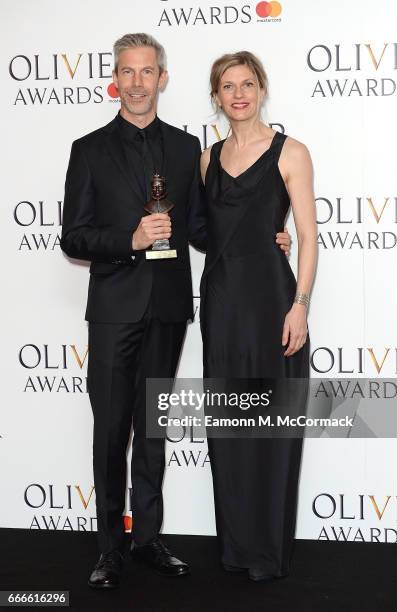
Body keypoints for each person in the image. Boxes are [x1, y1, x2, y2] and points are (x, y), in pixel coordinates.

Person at [61, 33, 292, 589]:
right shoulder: (88, 149)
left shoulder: (191, 150)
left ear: (162, 78)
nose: (138, 82)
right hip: (114, 310)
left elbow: (203, 228)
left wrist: (266, 238)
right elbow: (73, 236)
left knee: (154, 434)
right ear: (116, 79)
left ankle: (148, 540)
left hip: (167, 310)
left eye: (148, 72)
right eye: (128, 72)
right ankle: (110, 548)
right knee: (111, 432)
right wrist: (130, 238)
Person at [200, 51, 317, 582]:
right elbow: (207, 233)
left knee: (272, 427)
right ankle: (236, 549)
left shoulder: (292, 152)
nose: (239, 93)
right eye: (228, 86)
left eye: (248, 83)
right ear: (217, 97)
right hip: (222, 303)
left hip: (274, 301)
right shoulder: (206, 159)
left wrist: (301, 305)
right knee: (229, 426)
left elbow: (310, 239)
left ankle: (267, 554)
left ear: (262, 89)